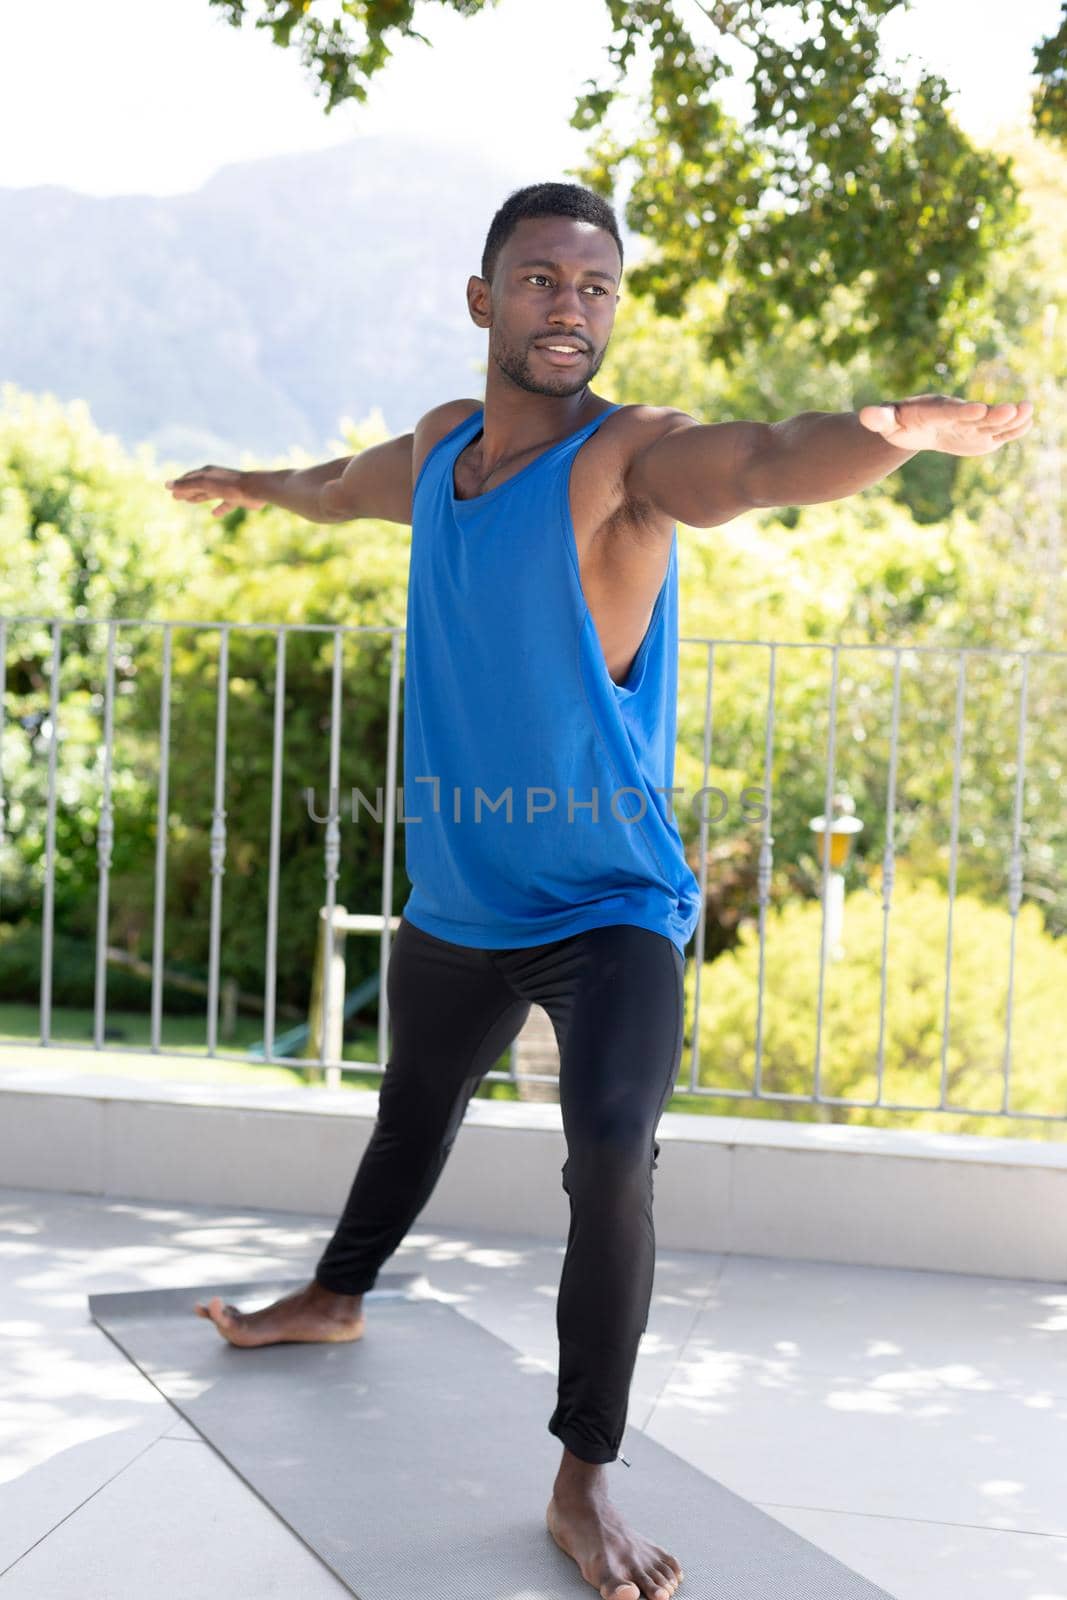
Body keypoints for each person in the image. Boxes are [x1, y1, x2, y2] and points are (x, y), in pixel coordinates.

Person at [164, 180, 1033, 1600]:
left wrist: (882, 435)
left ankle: (585, 1473)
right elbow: (334, 490)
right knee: (411, 1113)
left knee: (611, 1158)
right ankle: (334, 1297)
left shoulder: (629, 459)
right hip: (462, 893)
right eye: (543, 279)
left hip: (609, 908)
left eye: (597, 287)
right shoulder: (447, 451)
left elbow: (756, 462)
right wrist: (252, 486)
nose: (572, 306)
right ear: (482, 299)